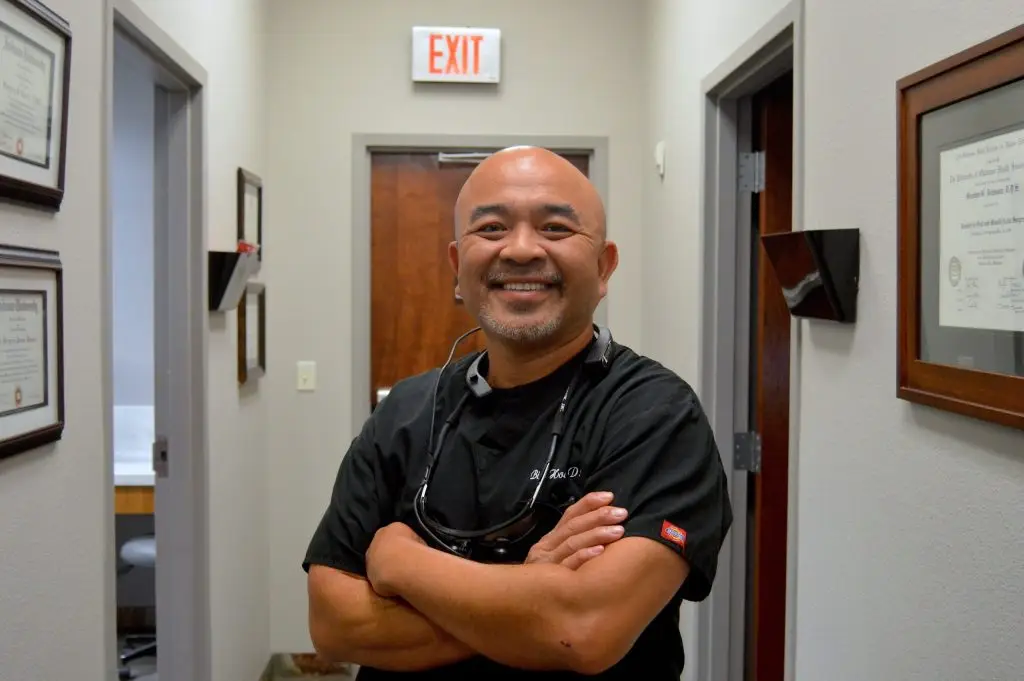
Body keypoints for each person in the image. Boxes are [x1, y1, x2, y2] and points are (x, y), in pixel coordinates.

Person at [303, 146, 733, 679]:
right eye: (491, 229)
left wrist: (401, 563)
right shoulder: (406, 412)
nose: (522, 249)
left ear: (604, 267)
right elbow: (334, 624)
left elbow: (582, 630)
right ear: (459, 268)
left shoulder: (655, 414)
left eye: (555, 228)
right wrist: (528, 590)